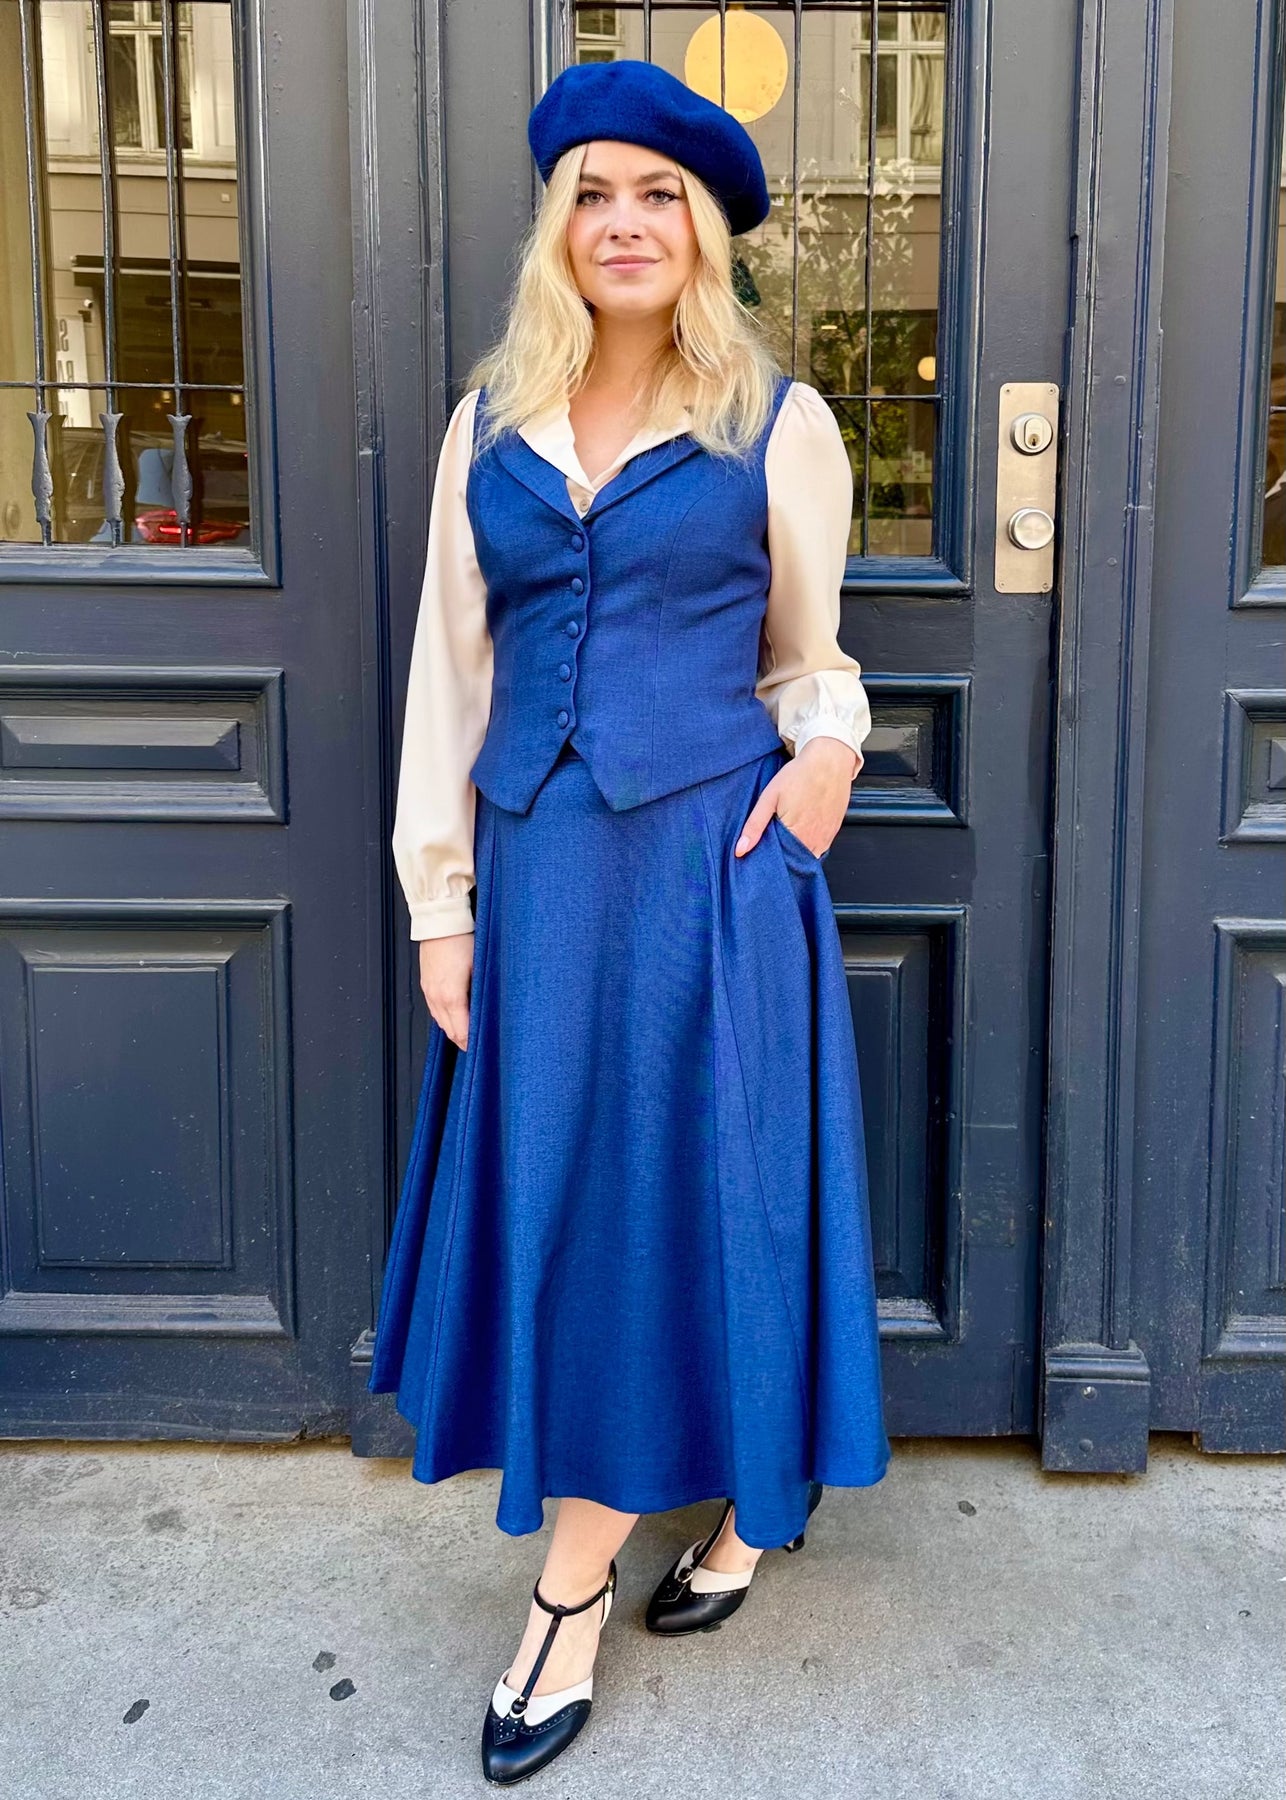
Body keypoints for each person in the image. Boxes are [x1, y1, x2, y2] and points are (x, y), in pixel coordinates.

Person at [366, 57, 892, 1788]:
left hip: (706, 880)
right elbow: (449, 684)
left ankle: (577, 1588)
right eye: (592, 194)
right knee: (590, 1216)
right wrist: (441, 907)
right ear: (557, 229)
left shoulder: (774, 424)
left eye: (658, 195)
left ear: (706, 232)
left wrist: (823, 767)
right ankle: (711, 1519)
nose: (623, 223)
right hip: (540, 888)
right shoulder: (487, 429)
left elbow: (809, 657)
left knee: (702, 1204)